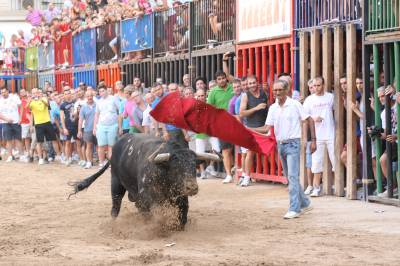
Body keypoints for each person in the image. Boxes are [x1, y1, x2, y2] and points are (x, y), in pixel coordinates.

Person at [255, 79, 316, 219]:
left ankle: (294, 208)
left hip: (293, 143)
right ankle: (305, 203)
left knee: (293, 177)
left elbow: (309, 119)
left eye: (279, 90)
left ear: (287, 90)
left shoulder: (294, 104)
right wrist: (247, 129)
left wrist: (313, 140)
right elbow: (266, 128)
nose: (276, 92)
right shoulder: (273, 107)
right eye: (275, 90)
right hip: (280, 144)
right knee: (290, 177)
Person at [303, 77, 335, 197]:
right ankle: (316, 188)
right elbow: (304, 116)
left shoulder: (330, 97)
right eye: (314, 86)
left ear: (323, 85)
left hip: (330, 133)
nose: (316, 88)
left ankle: (335, 185)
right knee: (316, 162)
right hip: (317, 135)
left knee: (335, 160)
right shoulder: (309, 100)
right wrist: (313, 118)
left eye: (318, 85)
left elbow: (336, 111)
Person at [239, 75, 268, 187]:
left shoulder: (264, 93)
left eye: (253, 83)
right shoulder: (245, 96)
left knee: (270, 150)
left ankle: (279, 174)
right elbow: (241, 113)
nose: (252, 85)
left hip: (264, 128)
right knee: (250, 153)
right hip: (251, 128)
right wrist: (256, 108)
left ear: (257, 82)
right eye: (250, 83)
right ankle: (247, 177)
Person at [207, 70, 234, 183]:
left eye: (223, 78)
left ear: (226, 78)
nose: (222, 80)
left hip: (236, 122)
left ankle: (236, 171)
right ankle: (228, 174)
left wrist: (225, 61)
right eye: (219, 79)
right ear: (216, 81)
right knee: (226, 150)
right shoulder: (213, 92)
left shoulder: (232, 87)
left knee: (237, 149)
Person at [28, 88, 61, 165]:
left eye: (37, 92)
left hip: (47, 122)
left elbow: (47, 105)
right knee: (38, 142)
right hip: (38, 124)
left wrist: (41, 99)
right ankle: (39, 158)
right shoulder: (32, 102)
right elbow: (29, 110)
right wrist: (31, 125)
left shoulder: (44, 99)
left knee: (49, 141)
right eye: (34, 93)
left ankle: (49, 156)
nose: (36, 94)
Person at [93, 85, 119, 167]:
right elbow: (96, 115)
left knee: (111, 145)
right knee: (101, 145)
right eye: (100, 92)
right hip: (101, 126)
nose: (101, 93)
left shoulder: (114, 98)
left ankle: (110, 163)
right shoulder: (99, 102)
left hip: (113, 125)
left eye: (103, 91)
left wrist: (119, 125)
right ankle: (101, 162)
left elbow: (120, 110)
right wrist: (94, 127)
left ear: (107, 90)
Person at [0, 88, 24, 162]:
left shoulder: (14, 97)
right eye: (2, 93)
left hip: (16, 121)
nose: (3, 94)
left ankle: (21, 155)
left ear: (7, 91)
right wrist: (7, 119)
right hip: (5, 123)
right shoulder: (0, 100)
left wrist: (20, 118)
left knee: (18, 139)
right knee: (8, 140)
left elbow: (21, 107)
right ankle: (10, 156)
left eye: (4, 92)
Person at [78, 90, 96, 169]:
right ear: (86, 97)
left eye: (91, 96)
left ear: (93, 96)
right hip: (87, 129)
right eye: (88, 96)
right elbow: (80, 120)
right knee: (89, 146)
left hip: (98, 129)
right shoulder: (83, 108)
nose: (89, 97)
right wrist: (79, 130)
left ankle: (101, 162)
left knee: (100, 146)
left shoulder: (98, 105)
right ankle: (89, 162)